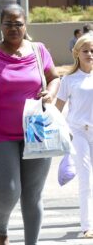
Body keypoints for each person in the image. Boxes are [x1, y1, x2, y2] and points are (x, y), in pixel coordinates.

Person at [0, 4, 60, 245]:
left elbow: (54, 78)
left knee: (32, 196)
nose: (13, 28)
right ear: (1, 25)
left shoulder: (39, 51)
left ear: (25, 25)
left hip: (37, 131)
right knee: (8, 190)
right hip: (1, 134)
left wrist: (50, 93)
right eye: (8, 23)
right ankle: (1, 229)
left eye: (18, 23)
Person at [55, 34, 93, 239]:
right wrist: (64, 132)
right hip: (78, 133)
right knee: (86, 179)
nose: (90, 54)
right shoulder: (68, 79)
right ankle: (87, 226)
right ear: (77, 53)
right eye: (86, 50)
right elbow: (57, 109)